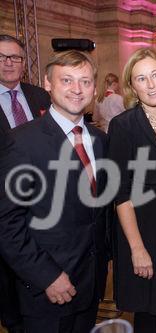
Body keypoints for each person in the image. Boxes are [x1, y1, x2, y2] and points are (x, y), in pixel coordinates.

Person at [0, 50, 109, 333]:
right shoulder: (21, 142)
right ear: (48, 84)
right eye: (67, 81)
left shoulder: (101, 141)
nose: (77, 89)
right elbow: (7, 223)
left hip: (91, 284)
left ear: (94, 88)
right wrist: (46, 276)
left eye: (85, 82)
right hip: (46, 290)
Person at [108, 47, 156, 333]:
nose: (151, 84)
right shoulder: (123, 126)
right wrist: (137, 249)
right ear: (132, 86)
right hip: (146, 235)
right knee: (152, 319)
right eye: (141, 79)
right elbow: (120, 192)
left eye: (155, 75)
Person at [0, 34, 52, 333]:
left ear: (24, 63)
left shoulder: (41, 97)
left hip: (46, 203)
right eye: (2, 57)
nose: (9, 63)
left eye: (15, 57)